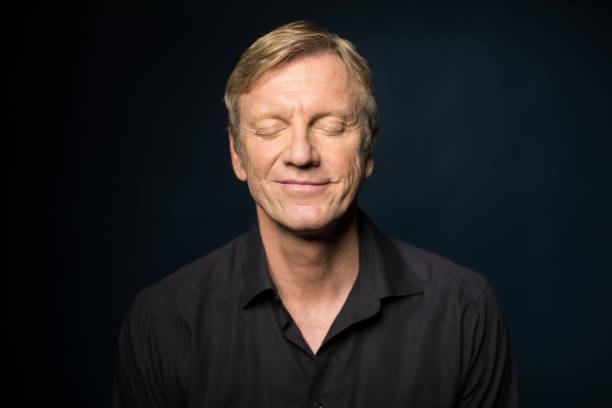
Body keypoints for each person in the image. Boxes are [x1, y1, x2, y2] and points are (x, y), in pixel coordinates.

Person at [113, 21, 519, 407]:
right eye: (270, 128)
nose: (301, 154)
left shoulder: (465, 312)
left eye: (332, 126)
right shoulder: (162, 321)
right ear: (237, 154)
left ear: (369, 149)